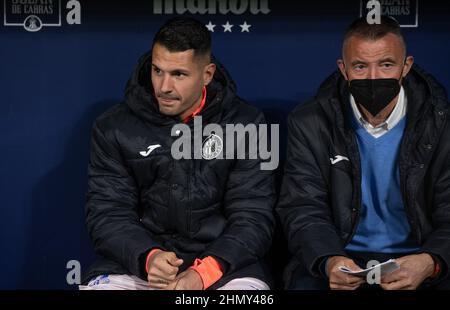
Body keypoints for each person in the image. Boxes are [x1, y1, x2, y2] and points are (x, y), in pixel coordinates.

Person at [80, 17, 275, 290]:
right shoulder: (112, 126)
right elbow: (107, 213)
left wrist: (203, 272)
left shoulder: (249, 123)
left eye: (178, 75)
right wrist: (148, 257)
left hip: (224, 268)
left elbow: (255, 216)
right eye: (157, 71)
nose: (164, 87)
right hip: (137, 267)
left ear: (207, 74)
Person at [277, 16, 450, 290]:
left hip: (420, 256)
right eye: (360, 66)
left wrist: (430, 261)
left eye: (386, 65)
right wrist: (329, 259)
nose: (373, 78)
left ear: (406, 67)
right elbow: (303, 206)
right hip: (341, 255)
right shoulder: (309, 121)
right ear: (343, 69)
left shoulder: (442, 123)